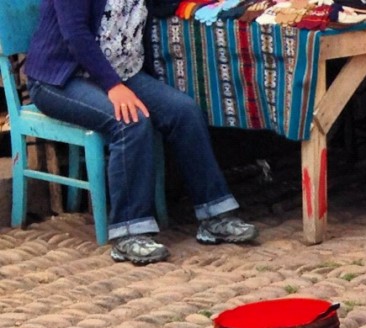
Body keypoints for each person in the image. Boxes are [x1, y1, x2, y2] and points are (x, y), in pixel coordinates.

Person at [25, 0, 259, 266]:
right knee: (130, 121)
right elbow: (75, 34)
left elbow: (161, 6)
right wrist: (112, 86)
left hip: (121, 72)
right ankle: (128, 232)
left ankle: (214, 215)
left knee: (185, 112)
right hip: (61, 78)